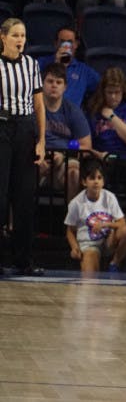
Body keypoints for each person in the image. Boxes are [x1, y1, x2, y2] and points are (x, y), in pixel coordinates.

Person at [0, 17, 45, 275]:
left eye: (23, 36)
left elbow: (39, 105)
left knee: (25, 196)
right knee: (0, 196)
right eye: (16, 35)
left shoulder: (31, 64)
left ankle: (24, 259)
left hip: (26, 129)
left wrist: (41, 141)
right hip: (2, 126)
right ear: (3, 37)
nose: (20, 40)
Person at [86, 67, 126, 217]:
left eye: (117, 92)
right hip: (101, 157)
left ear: (123, 91)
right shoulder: (93, 110)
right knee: (95, 173)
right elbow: (86, 142)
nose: (113, 97)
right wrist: (99, 154)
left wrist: (112, 117)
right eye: (109, 92)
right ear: (102, 92)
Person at [64, 158, 126, 273]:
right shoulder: (76, 203)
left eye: (99, 178)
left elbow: (122, 223)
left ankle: (114, 263)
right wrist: (74, 247)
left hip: (108, 240)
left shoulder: (109, 197)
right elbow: (70, 230)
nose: (96, 182)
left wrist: (105, 224)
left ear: (103, 181)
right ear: (84, 182)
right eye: (92, 178)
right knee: (90, 278)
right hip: (89, 243)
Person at [38, 62, 92, 199]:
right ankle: (13, 220)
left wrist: (63, 155)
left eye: (58, 82)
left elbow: (86, 146)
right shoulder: (31, 109)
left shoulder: (73, 111)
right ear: (42, 84)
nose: (54, 85)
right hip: (36, 159)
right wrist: (38, 157)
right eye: (50, 81)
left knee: (74, 171)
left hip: (64, 161)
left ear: (65, 87)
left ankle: (71, 219)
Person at [37, 26, 101, 107]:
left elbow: (103, 87)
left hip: (71, 116)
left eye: (70, 42)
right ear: (56, 44)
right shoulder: (41, 63)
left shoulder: (84, 71)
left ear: (76, 45)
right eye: (62, 41)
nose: (66, 46)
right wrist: (56, 64)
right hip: (47, 114)